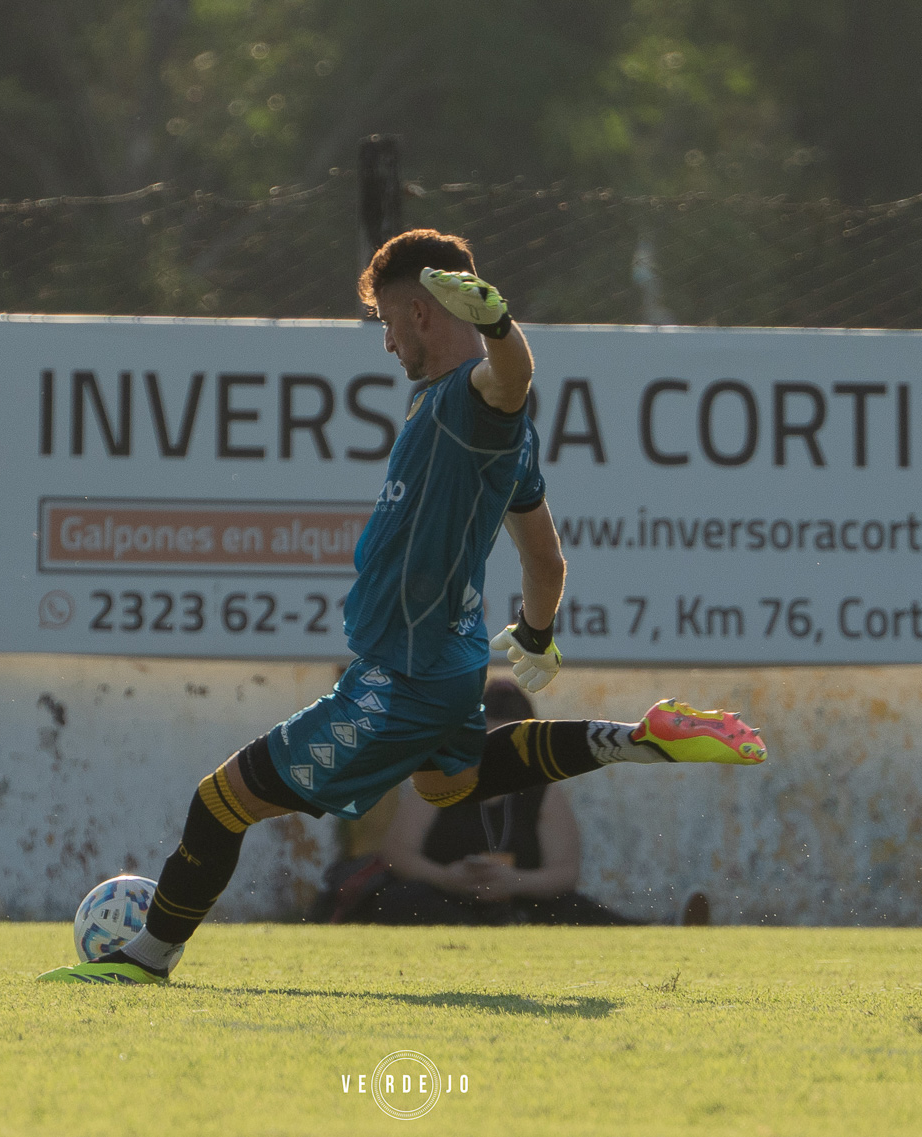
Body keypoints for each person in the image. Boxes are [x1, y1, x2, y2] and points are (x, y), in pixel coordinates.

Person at [38, 229, 767, 984]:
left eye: (388, 320)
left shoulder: (470, 399)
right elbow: (546, 557)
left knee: (220, 800)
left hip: (401, 678)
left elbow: (513, 375)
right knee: (448, 783)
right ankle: (638, 737)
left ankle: (145, 957)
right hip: (448, 665)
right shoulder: (482, 429)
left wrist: (495, 322)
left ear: (424, 313)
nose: (385, 341)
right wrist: (539, 633)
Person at [358, 680, 640, 926]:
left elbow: (565, 871)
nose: (496, 755)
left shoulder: (543, 792)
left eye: (509, 745)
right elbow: (397, 852)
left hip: (519, 905)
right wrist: (447, 878)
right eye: (487, 742)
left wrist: (514, 882)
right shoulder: (442, 779)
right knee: (404, 900)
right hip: (444, 901)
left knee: (573, 910)